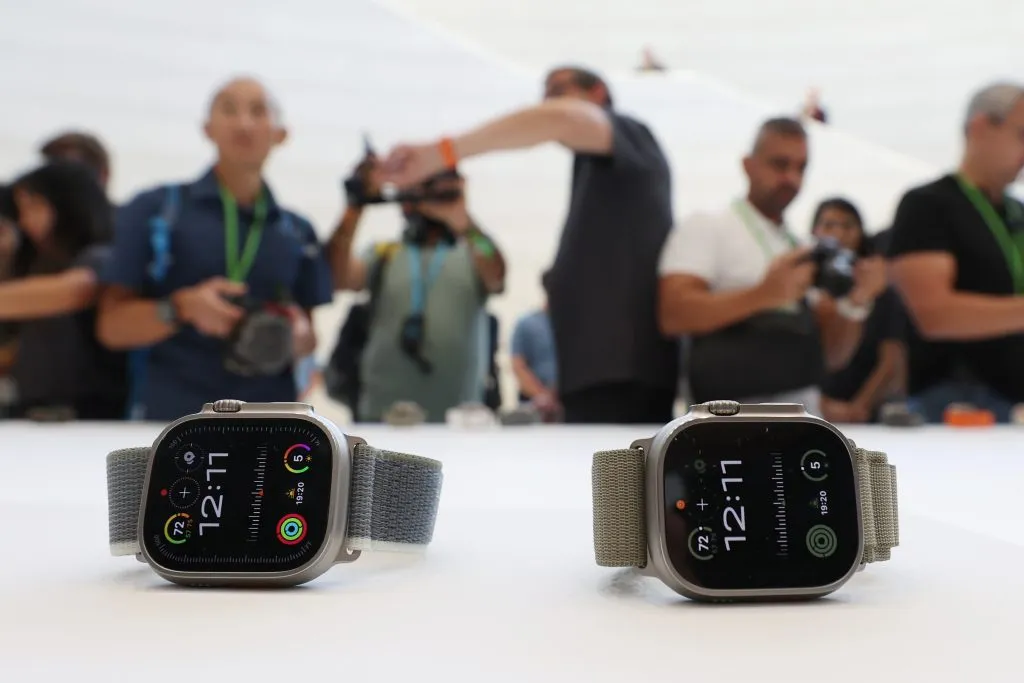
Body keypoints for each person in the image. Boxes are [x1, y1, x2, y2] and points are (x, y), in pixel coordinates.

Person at [379, 65, 679, 424]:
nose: (547, 102)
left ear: (598, 92)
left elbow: (494, 270)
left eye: (559, 90)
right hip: (390, 402)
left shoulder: (630, 137)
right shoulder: (383, 255)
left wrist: (444, 161)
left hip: (616, 372)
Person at [96, 76, 332, 421]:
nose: (244, 123)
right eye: (229, 109)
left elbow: (309, 335)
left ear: (281, 133)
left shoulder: (297, 231)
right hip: (173, 420)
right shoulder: (156, 211)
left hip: (269, 424)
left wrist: (297, 337)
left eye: (258, 111)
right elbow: (111, 327)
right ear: (208, 128)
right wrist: (181, 308)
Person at [658, 118, 887, 415]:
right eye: (780, 165)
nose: (791, 178)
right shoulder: (708, 226)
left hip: (802, 415)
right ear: (748, 165)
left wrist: (856, 304)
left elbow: (831, 357)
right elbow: (673, 314)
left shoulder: (800, 246)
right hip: (727, 419)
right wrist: (765, 295)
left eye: (801, 168)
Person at [327, 151, 505, 423]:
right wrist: (356, 205)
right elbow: (336, 278)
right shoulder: (385, 253)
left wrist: (463, 220)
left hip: (460, 419)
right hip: (381, 415)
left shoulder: (474, 253)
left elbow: (497, 275)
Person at [888, 82, 1024, 422]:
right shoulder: (929, 205)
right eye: (1021, 134)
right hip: (953, 403)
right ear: (979, 127)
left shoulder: (1016, 214)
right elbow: (934, 314)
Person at [0, 161, 126, 419]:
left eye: (33, 206)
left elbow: (74, 291)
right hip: (39, 406)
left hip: (87, 409)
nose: (25, 221)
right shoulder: (43, 263)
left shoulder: (103, 254)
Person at [811, 198, 903, 422]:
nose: (839, 233)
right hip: (810, 409)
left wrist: (858, 408)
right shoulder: (799, 285)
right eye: (830, 225)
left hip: (866, 413)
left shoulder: (880, 290)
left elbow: (891, 361)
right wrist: (820, 406)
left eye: (848, 226)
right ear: (815, 231)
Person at [511, 270, 560, 420]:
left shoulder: (580, 325)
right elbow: (518, 366)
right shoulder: (527, 324)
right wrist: (543, 396)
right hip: (534, 406)